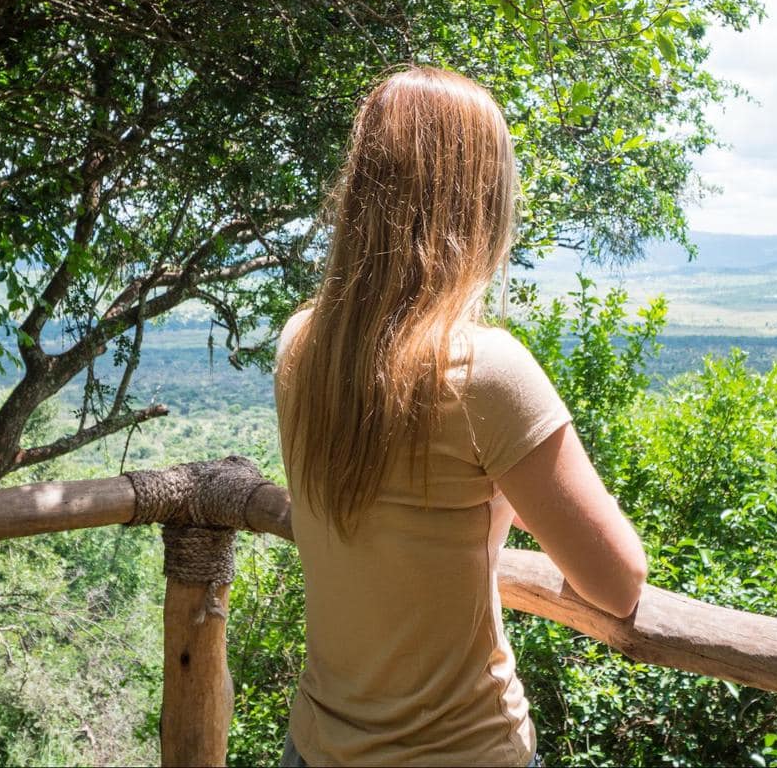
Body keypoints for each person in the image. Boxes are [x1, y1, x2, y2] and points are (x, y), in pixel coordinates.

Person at [274, 65, 648, 767]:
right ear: (480, 199)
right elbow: (618, 583)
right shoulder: (485, 370)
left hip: (316, 747)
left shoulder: (301, 345)